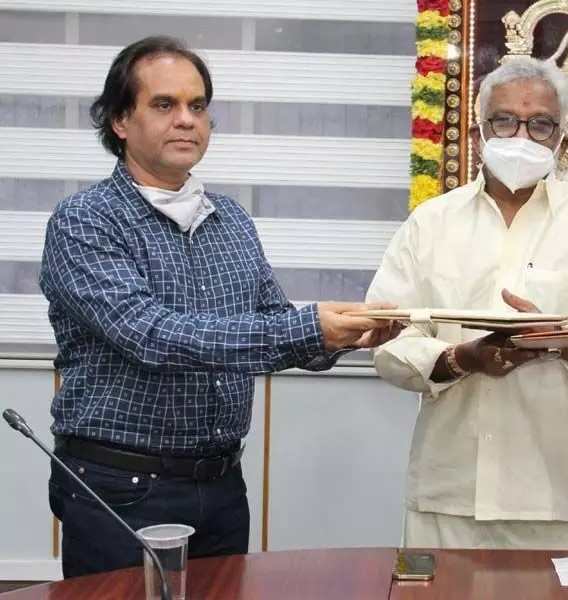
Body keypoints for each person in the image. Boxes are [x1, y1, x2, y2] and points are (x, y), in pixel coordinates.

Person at [38, 36, 400, 578]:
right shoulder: (85, 220)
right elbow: (152, 336)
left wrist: (350, 335)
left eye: (198, 105)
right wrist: (308, 330)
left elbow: (273, 325)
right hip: (120, 487)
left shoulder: (229, 219)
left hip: (222, 485)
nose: (187, 120)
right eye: (164, 105)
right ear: (119, 120)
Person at [365, 57, 568, 550]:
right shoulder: (430, 223)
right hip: (449, 492)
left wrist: (563, 344)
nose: (520, 137)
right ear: (477, 134)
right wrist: (460, 359)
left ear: (563, 141)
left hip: (556, 496)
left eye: (540, 124)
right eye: (504, 121)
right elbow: (388, 339)